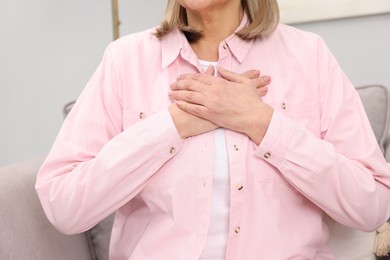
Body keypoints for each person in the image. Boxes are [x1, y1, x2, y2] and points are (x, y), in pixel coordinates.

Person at [35, 0, 390, 259]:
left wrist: (260, 122)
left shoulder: (309, 55)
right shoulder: (125, 60)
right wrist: (174, 125)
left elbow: (371, 205)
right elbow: (64, 205)